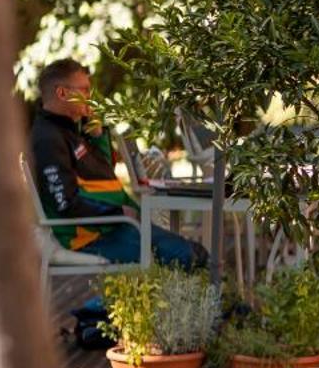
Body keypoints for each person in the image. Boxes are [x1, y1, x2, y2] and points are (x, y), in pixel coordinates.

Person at [28, 57, 207, 270]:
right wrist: (116, 213)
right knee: (186, 256)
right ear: (62, 93)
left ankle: (199, 300)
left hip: (113, 226)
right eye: (84, 90)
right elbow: (65, 204)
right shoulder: (48, 139)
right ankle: (196, 301)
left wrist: (96, 133)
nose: (90, 98)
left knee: (195, 253)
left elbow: (105, 172)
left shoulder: (69, 129)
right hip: (91, 236)